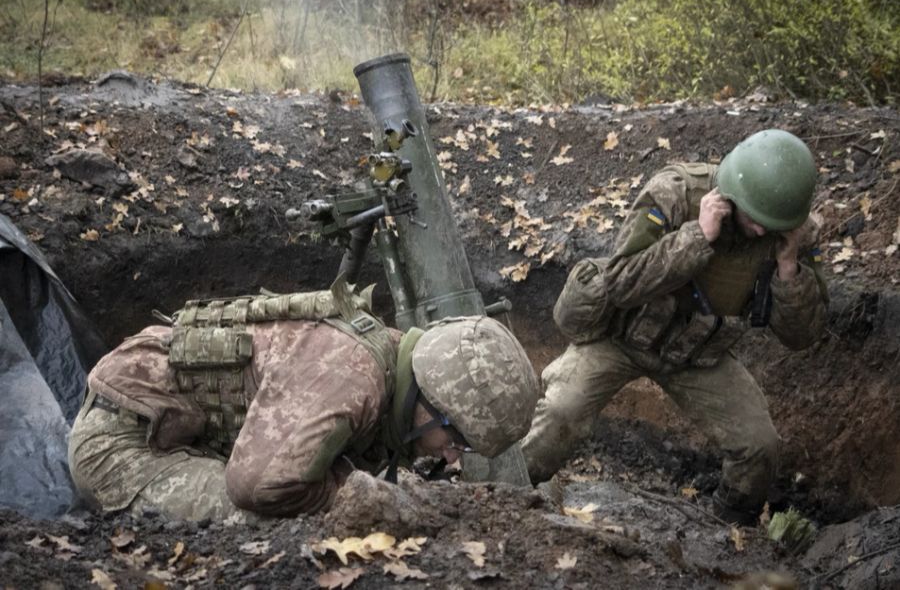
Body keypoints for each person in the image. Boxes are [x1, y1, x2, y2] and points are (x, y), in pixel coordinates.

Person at [521, 129, 828, 525]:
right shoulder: (675, 193)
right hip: (622, 336)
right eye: (756, 219)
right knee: (561, 411)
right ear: (734, 194)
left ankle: (731, 530)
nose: (762, 232)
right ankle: (506, 493)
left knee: (759, 445)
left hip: (698, 355)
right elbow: (621, 282)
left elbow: (803, 336)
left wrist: (789, 271)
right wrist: (695, 237)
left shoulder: (791, 231)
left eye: (774, 225)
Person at [68, 277, 539, 521]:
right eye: (456, 437)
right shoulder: (352, 375)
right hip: (125, 438)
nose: (453, 458)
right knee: (267, 522)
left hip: (189, 433)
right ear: (428, 393)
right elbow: (258, 487)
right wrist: (354, 497)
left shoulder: (387, 361)